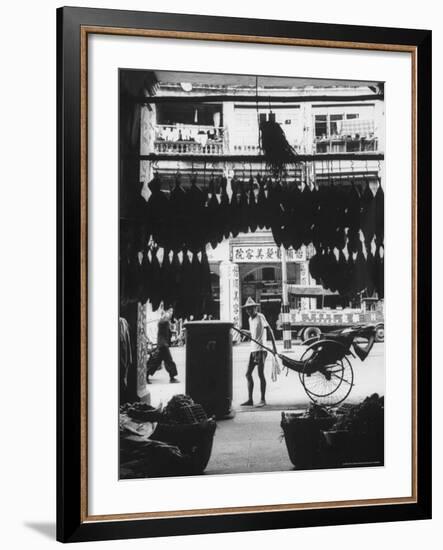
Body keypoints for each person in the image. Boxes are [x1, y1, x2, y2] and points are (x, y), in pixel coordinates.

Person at [240, 297, 277, 407]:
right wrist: (243, 331)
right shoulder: (250, 319)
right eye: (247, 309)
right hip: (253, 350)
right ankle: (250, 399)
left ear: (255, 308)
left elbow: (270, 330)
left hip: (261, 350)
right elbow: (253, 334)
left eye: (251, 309)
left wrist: (274, 348)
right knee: (248, 374)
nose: (249, 311)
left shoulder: (260, 317)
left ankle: (262, 399)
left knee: (260, 374)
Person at [146, 306, 179, 384]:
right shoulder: (163, 322)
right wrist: (167, 316)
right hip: (163, 345)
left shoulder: (164, 322)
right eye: (170, 312)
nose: (171, 314)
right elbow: (166, 320)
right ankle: (172, 378)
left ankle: (146, 375)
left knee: (156, 362)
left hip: (162, 344)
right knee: (169, 361)